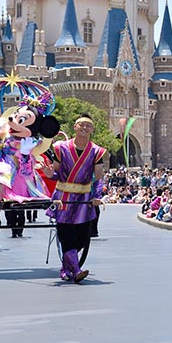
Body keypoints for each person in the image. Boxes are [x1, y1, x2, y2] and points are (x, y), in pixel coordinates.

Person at [42, 114, 106, 283]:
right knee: (66, 234)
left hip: (84, 199)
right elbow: (55, 172)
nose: (84, 128)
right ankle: (76, 270)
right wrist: (50, 174)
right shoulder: (61, 148)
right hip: (63, 197)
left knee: (83, 238)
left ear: (92, 129)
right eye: (81, 125)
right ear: (74, 127)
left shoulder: (96, 151)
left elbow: (98, 176)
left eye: (88, 125)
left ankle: (66, 267)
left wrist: (97, 196)